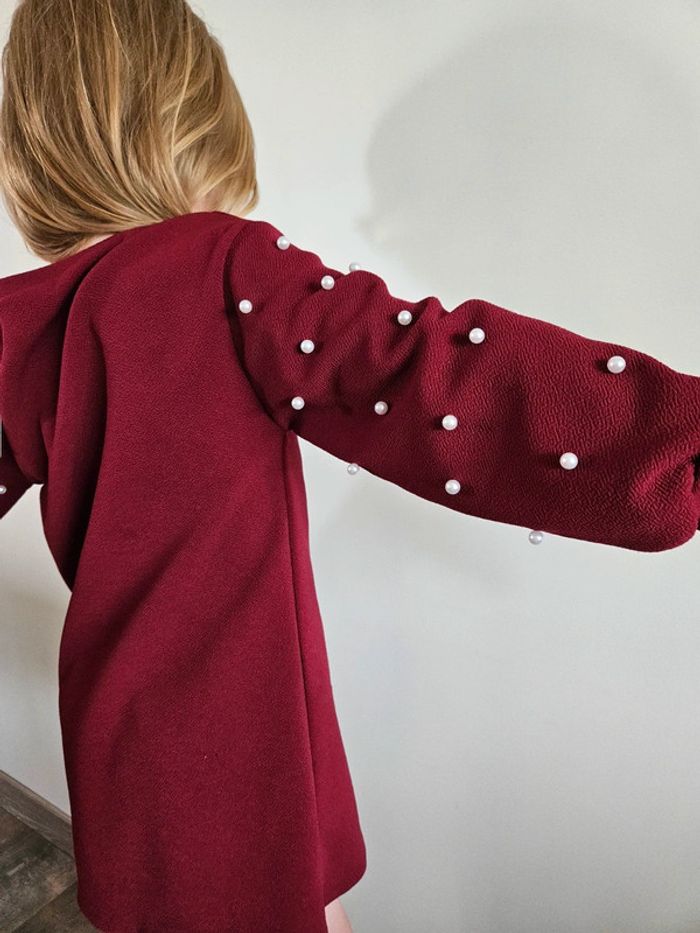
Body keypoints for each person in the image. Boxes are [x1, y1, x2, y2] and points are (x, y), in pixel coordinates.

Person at [0, 1, 698, 931]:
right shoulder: (222, 268)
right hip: (244, 763)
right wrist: (675, 439)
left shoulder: (17, 324)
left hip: (120, 754)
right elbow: (425, 370)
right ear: (196, 123)